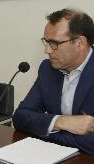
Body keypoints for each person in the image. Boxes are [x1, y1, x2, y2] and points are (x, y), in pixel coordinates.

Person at [13, 8, 94, 155]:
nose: (47, 50)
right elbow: (20, 117)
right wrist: (61, 122)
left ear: (80, 43)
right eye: (46, 42)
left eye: (54, 43)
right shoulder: (48, 69)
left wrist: (46, 130)